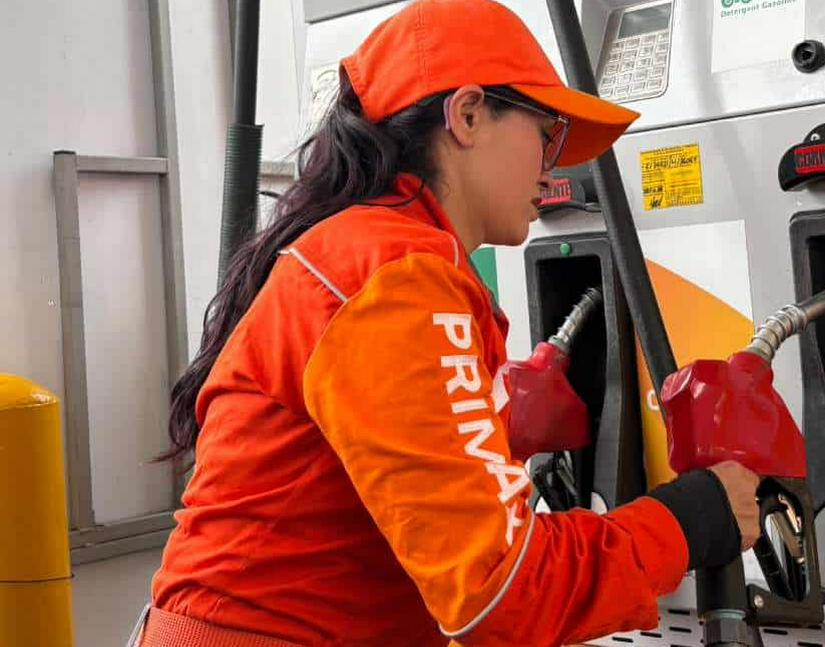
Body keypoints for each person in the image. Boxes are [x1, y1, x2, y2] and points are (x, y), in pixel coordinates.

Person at [138, 1, 762, 645]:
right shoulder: (397, 275)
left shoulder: (360, 254)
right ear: (467, 115)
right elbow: (503, 596)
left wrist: (498, 426)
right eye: (547, 133)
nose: (553, 166)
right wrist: (688, 521)